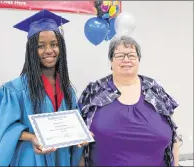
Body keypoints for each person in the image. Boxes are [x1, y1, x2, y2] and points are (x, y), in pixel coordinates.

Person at [0, 9, 83, 166]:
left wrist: (80, 135)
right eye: (41, 46)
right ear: (32, 50)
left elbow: (73, 124)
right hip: (31, 158)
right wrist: (32, 137)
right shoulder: (14, 90)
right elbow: (2, 129)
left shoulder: (67, 90)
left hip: (60, 158)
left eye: (54, 44)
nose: (49, 51)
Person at [78, 36, 182, 166]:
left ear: (139, 60)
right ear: (111, 61)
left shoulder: (154, 89)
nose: (126, 59)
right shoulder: (95, 90)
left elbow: (174, 137)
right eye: (120, 55)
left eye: (131, 55)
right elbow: (78, 139)